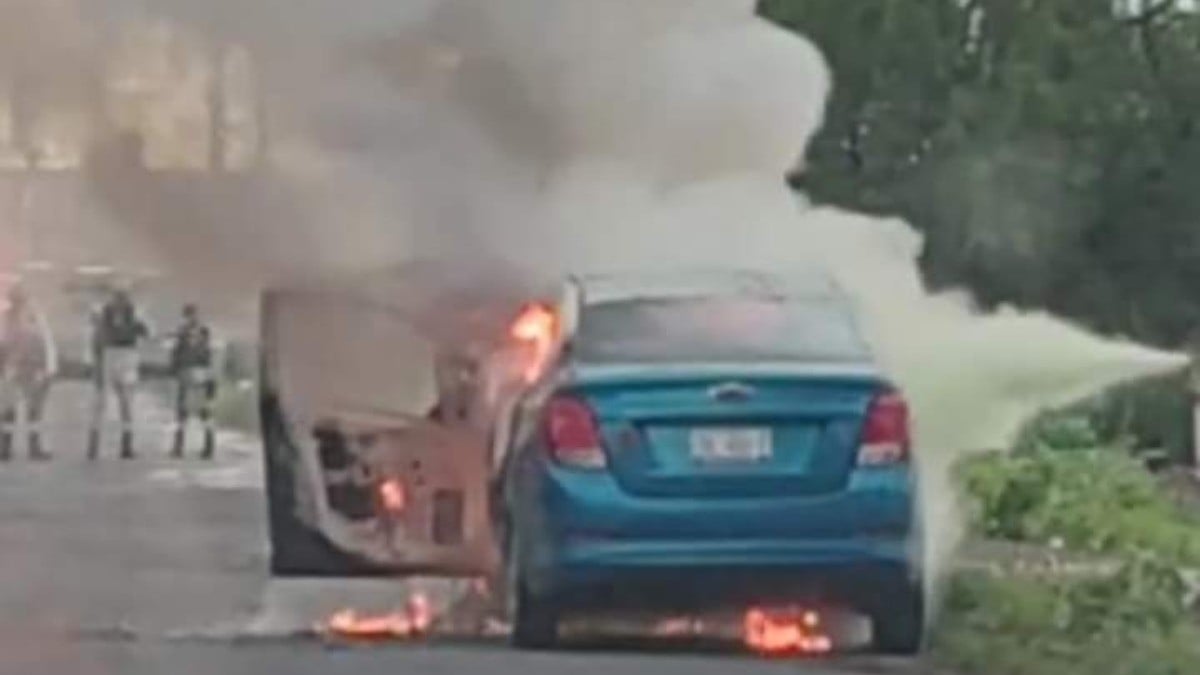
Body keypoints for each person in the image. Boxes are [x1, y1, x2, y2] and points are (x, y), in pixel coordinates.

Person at [87, 286, 149, 460]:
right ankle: (125, 446)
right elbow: (146, 332)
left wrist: (97, 363)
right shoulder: (131, 317)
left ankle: (95, 446)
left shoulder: (104, 318)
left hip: (112, 356)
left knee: (103, 404)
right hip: (125, 357)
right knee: (125, 405)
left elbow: (97, 340)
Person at [0, 283, 56, 462]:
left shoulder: (31, 318)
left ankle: (23, 447)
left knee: (30, 411)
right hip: (16, 368)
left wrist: (46, 367)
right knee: (13, 410)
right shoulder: (9, 318)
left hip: (26, 368)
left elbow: (42, 342)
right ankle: (9, 447)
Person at [169, 304, 216, 459]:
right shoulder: (204, 332)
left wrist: (174, 370)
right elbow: (208, 355)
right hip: (200, 373)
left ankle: (179, 447)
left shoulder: (183, 333)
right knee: (202, 411)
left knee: (183, 411)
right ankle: (208, 447)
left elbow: (176, 355)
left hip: (189, 373)